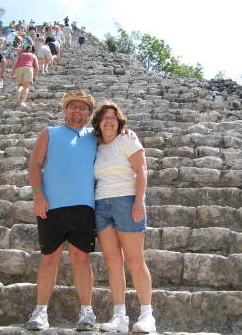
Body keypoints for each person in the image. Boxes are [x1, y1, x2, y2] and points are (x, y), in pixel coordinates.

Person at [26, 90, 98, 331]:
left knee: (81, 259)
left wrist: (126, 131)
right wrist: (38, 195)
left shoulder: (96, 136)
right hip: (52, 205)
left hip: (83, 206)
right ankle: (40, 311)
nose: (77, 110)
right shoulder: (50, 132)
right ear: (65, 109)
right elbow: (35, 163)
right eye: (73, 106)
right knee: (48, 259)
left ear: (89, 113)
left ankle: (87, 312)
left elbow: (118, 134)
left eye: (83, 107)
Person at [91, 102, 156, 333]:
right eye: (104, 117)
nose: (109, 121)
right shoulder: (95, 145)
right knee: (113, 262)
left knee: (135, 260)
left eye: (113, 117)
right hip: (101, 205)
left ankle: (147, 316)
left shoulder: (128, 139)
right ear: (98, 122)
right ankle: (119, 316)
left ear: (119, 122)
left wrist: (139, 200)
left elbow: (141, 170)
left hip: (127, 202)